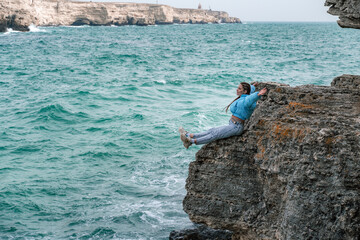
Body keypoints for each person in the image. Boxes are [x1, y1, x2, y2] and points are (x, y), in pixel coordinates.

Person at [179, 82, 267, 149]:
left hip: (237, 127)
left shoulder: (246, 101)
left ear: (244, 91)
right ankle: (190, 135)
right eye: (237, 88)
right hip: (233, 124)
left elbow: (249, 99)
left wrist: (258, 94)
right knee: (212, 130)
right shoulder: (243, 97)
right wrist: (253, 86)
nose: (237, 89)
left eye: (239, 89)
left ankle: (191, 142)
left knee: (214, 135)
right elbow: (249, 92)